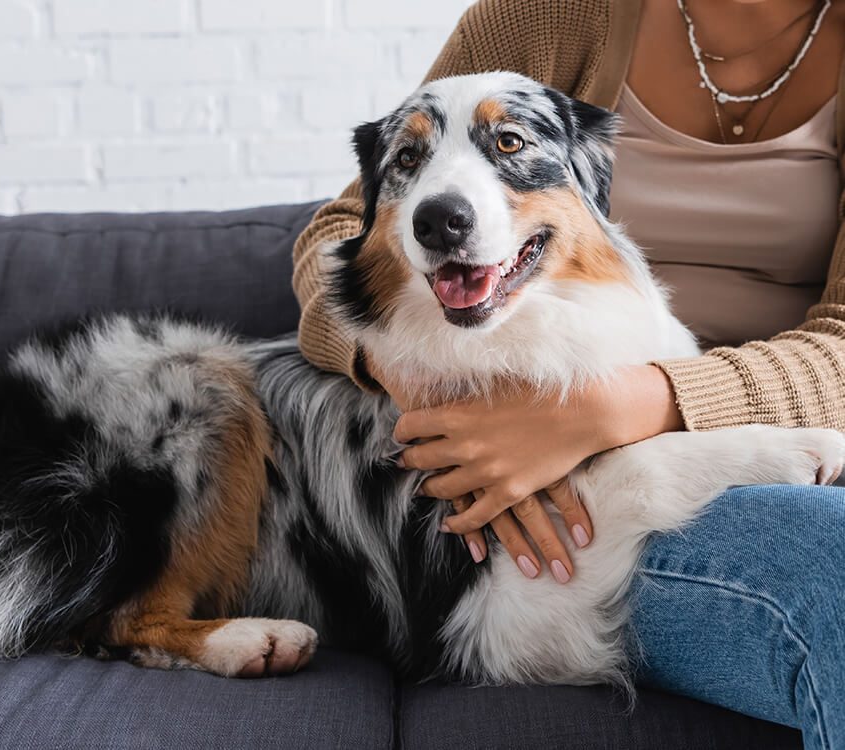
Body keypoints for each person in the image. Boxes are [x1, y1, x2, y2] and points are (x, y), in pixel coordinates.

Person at [290, 0, 845, 747]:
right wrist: (411, 375)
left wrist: (611, 409)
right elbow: (343, 232)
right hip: (580, 462)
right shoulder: (553, 9)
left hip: (751, 425)